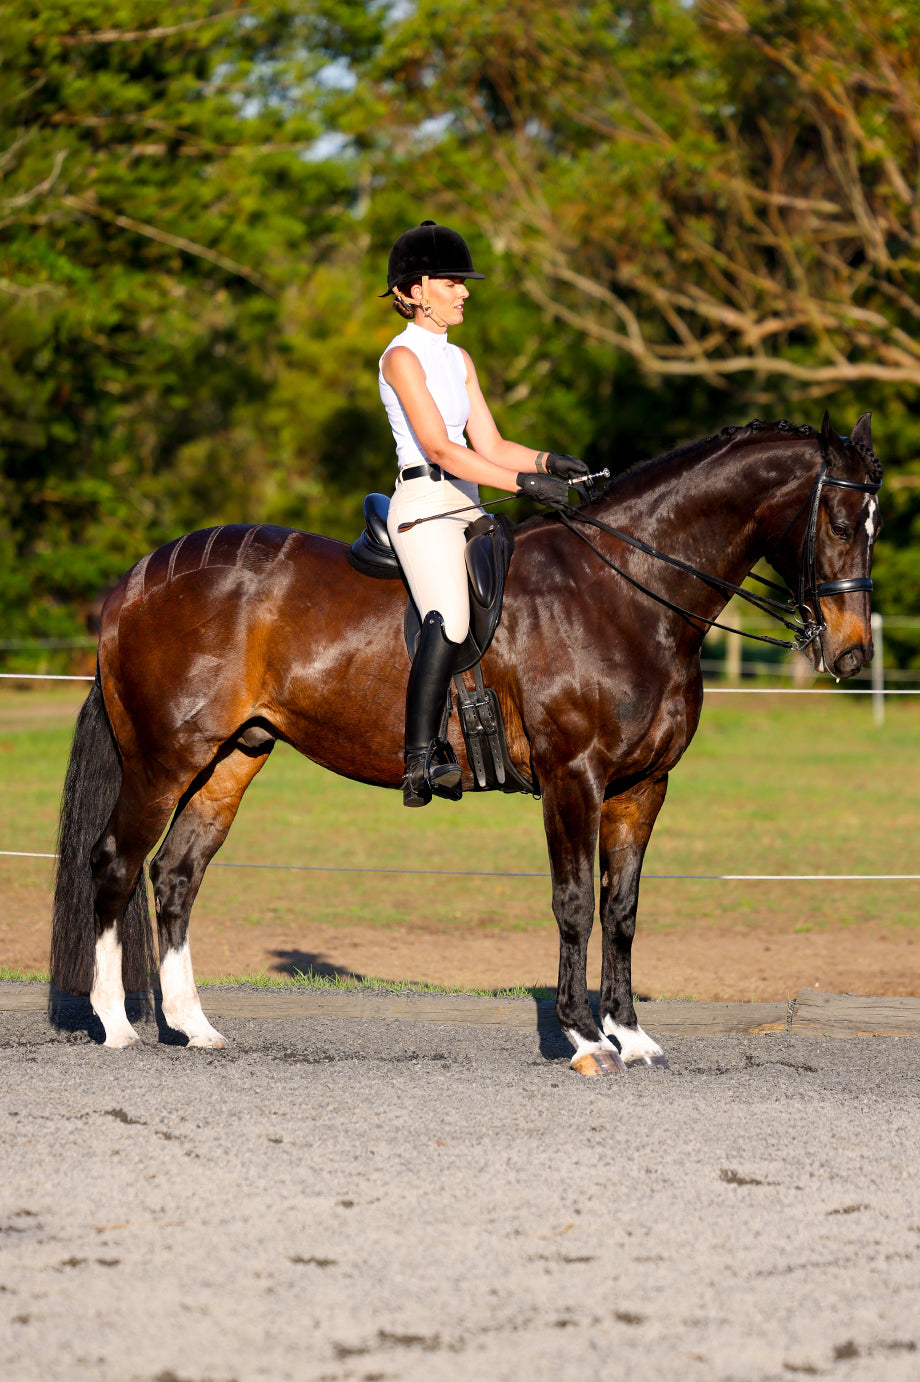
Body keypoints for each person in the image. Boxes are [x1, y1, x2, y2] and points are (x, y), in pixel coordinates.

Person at [379, 220, 589, 808]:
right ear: (418, 289)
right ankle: (420, 760)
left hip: (470, 504)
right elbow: (443, 450)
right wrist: (525, 485)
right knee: (447, 617)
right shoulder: (401, 358)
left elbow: (491, 447)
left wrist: (551, 461)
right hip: (424, 506)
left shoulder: (458, 358)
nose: (465, 291)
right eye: (453, 282)